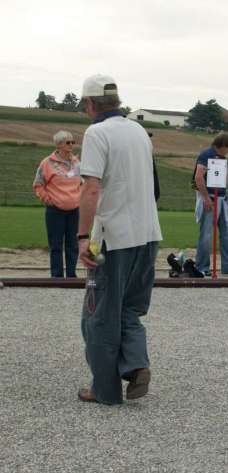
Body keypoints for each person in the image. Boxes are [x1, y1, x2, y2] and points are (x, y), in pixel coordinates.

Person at [76, 74, 162, 406]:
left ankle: (105, 390)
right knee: (129, 307)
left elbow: (91, 188)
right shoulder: (139, 131)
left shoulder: (97, 133)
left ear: (91, 104)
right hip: (148, 235)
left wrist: (83, 238)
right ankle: (137, 363)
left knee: (97, 313)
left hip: (108, 238)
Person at [33, 130, 81, 277]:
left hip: (74, 210)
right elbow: (38, 184)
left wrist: (81, 197)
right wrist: (48, 200)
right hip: (55, 211)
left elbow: (83, 182)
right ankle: (57, 276)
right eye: (68, 142)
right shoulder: (46, 163)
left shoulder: (77, 162)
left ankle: (72, 275)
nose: (72, 145)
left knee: (73, 244)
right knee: (56, 245)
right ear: (58, 144)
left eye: (73, 142)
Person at [193, 132, 228, 275]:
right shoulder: (206, 155)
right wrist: (206, 198)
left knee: (226, 233)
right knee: (206, 234)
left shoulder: (220, 157)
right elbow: (198, 178)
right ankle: (202, 267)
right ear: (223, 145)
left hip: (221, 198)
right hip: (211, 198)